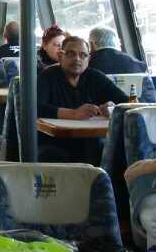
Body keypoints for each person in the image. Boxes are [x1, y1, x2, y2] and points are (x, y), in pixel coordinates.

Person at [36, 35, 128, 163]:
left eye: (83, 55)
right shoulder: (47, 77)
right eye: (71, 54)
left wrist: (112, 109)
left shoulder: (95, 77)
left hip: (91, 139)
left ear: (88, 59)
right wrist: (73, 114)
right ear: (60, 56)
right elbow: (35, 107)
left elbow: (127, 102)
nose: (77, 59)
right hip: (53, 142)